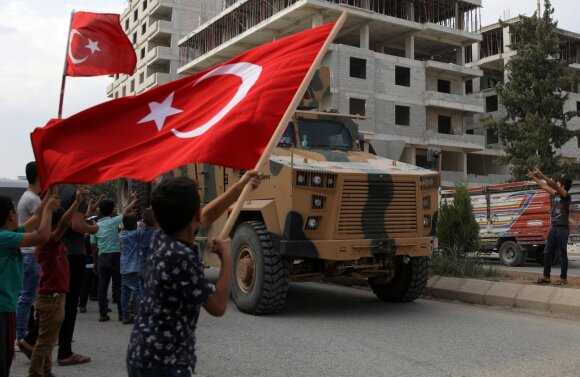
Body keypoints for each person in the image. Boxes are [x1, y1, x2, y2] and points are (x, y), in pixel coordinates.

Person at [126, 172, 262, 377]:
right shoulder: (181, 258)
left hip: (141, 353)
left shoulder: (160, 238)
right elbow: (217, 306)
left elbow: (205, 216)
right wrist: (227, 259)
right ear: (194, 216)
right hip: (165, 364)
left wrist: (239, 188)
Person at [27, 187, 86, 377]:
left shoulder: (53, 243)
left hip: (55, 297)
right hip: (51, 298)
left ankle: (46, 371)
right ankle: (37, 373)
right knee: (44, 342)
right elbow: (63, 224)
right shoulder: (48, 242)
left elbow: (62, 223)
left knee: (49, 340)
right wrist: (75, 204)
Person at [0, 189, 58, 377]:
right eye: (16, 210)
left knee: (6, 355)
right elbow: (41, 236)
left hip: (5, 306)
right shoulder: (4, 237)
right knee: (3, 358)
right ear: (11, 215)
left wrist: (50, 193)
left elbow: (34, 219)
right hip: (2, 307)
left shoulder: (7, 233)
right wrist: (49, 210)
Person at [55, 184, 99, 366]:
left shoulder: (58, 189)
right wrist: (93, 228)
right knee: (70, 303)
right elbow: (77, 225)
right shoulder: (76, 193)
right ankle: (65, 352)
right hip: (73, 252)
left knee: (56, 300)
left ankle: (32, 340)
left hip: (57, 249)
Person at [91, 194, 138, 322]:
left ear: (99, 210)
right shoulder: (114, 221)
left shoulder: (96, 225)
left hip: (102, 257)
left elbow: (93, 246)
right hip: (115, 255)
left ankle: (103, 314)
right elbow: (127, 210)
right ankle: (122, 314)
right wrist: (134, 200)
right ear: (113, 210)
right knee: (118, 286)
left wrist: (95, 263)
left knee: (102, 286)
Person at [527, 167, 572, 285]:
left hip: (562, 229)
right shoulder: (556, 194)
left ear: (562, 186)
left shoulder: (565, 195)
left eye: (558, 183)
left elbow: (551, 184)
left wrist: (542, 174)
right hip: (554, 228)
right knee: (547, 252)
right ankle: (546, 276)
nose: (555, 183)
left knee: (562, 254)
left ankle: (563, 279)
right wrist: (534, 178)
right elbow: (544, 186)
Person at [15, 162, 42, 341]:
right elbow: (41, 226)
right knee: (27, 297)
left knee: (26, 296)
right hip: (31, 252)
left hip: (26, 252)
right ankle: (22, 336)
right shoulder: (33, 199)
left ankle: (24, 334)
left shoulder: (27, 196)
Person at [119, 214, 141, 324]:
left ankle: (125, 316)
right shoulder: (136, 235)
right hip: (134, 267)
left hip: (124, 267)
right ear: (134, 225)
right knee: (138, 291)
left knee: (125, 292)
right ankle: (142, 316)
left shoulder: (122, 235)